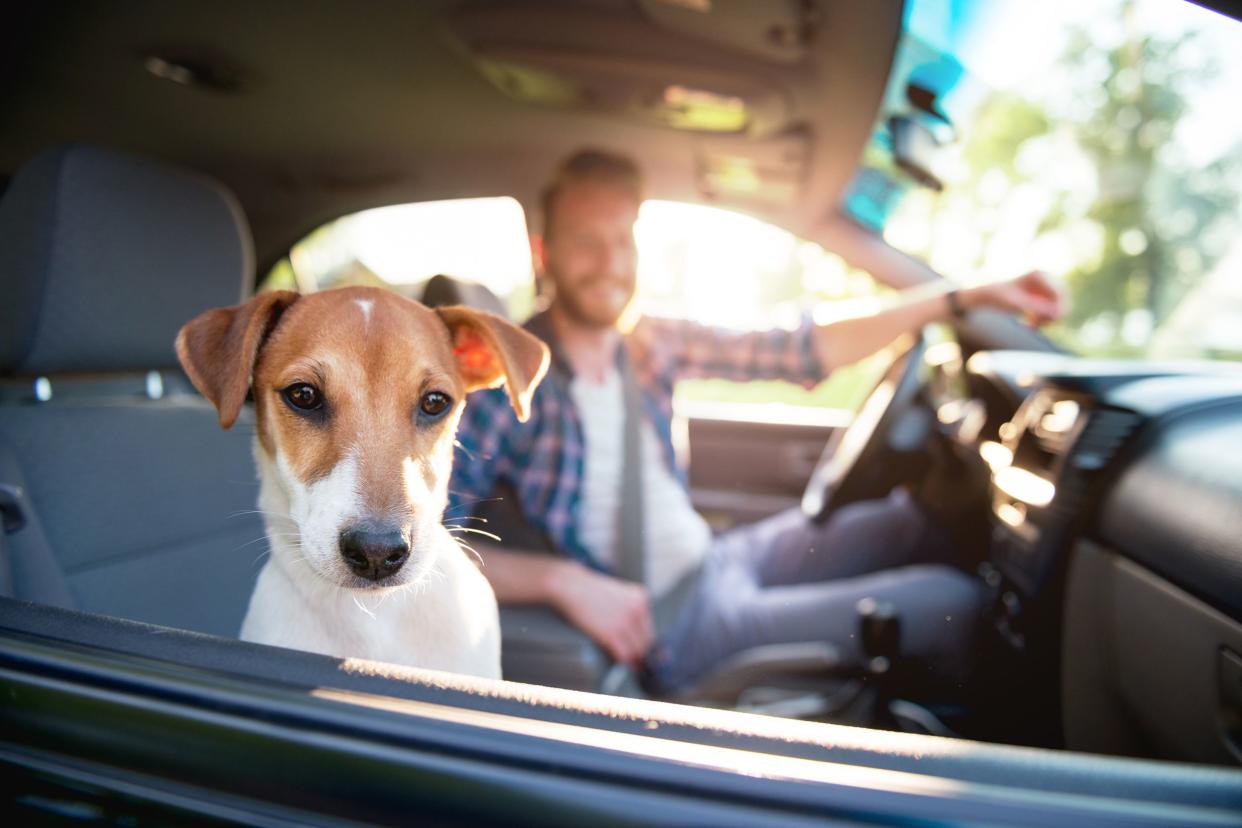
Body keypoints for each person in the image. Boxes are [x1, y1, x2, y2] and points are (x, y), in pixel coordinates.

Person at [448, 149, 1062, 693]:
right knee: (954, 605)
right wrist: (562, 581)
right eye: (586, 240)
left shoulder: (648, 343)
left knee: (906, 522)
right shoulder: (505, 381)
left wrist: (962, 298)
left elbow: (804, 347)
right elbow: (429, 544)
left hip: (716, 561)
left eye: (624, 240)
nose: (610, 262)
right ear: (543, 250)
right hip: (676, 625)